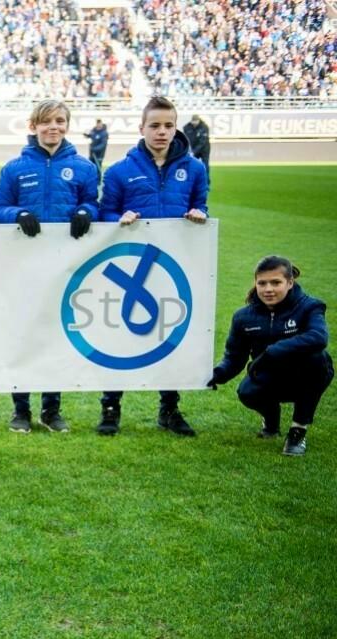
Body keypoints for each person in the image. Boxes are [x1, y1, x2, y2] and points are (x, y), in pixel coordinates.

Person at [97, 95, 209, 437]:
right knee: (120, 335)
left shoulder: (195, 169)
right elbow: (106, 213)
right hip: (131, 266)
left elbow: (201, 206)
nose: (162, 132)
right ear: (141, 128)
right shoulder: (120, 171)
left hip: (174, 268)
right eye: (155, 125)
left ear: (176, 128)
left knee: (169, 335)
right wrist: (119, 218)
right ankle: (111, 407)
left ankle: (169, 409)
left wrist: (199, 215)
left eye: (168, 125)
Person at [0, 99, 99, 434]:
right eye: (46, 121)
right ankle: (20, 410)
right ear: (33, 126)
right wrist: (18, 214)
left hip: (65, 268)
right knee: (23, 336)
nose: (53, 127)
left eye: (60, 121)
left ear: (67, 125)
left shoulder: (84, 167)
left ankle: (51, 410)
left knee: (57, 335)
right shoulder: (14, 168)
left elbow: (93, 204)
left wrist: (86, 212)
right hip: (24, 267)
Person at [209, 256, 331, 456]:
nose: (268, 289)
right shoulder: (243, 317)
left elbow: (318, 337)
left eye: (276, 282)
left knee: (317, 360)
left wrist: (273, 351)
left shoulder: (310, 306)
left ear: (290, 282)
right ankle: (271, 421)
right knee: (247, 392)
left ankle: (298, 430)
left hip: (305, 375)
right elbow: (234, 358)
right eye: (262, 283)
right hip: (270, 375)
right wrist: (217, 374)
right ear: (255, 283)